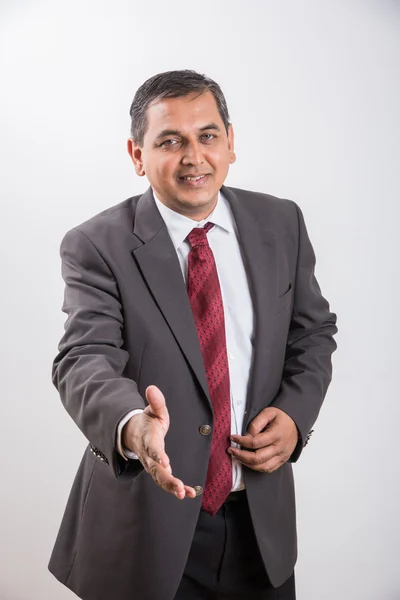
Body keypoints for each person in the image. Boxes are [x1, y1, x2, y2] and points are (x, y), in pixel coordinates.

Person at [49, 69, 338, 600]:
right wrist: (133, 427)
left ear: (230, 143)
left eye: (207, 136)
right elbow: (83, 357)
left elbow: (313, 332)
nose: (193, 156)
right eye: (169, 141)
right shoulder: (96, 245)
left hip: (260, 529)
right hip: (144, 532)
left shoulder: (281, 223)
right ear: (137, 155)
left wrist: (297, 415)